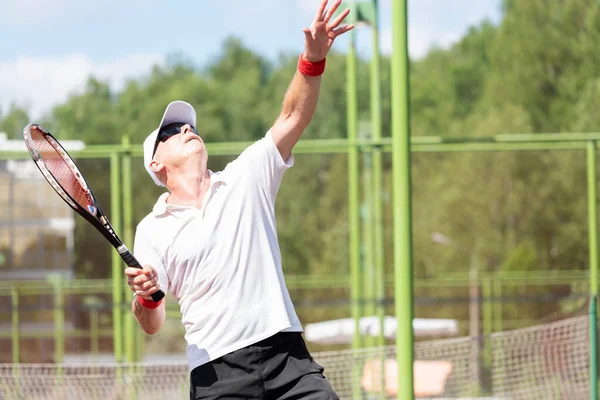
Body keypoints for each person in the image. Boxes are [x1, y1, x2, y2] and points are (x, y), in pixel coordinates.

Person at [125, 1, 354, 398]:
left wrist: (312, 61)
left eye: (188, 125)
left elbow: (291, 117)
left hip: (288, 357)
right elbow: (153, 322)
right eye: (172, 130)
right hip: (217, 374)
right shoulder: (151, 230)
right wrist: (146, 298)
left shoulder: (247, 176)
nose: (186, 129)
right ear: (156, 163)